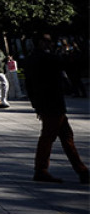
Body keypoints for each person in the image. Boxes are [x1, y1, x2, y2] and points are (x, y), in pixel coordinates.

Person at [26, 34, 89, 184]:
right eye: (47, 41)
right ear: (40, 42)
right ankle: (41, 170)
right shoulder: (46, 58)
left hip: (47, 104)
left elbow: (29, 85)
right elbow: (67, 64)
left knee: (65, 136)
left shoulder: (33, 58)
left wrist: (36, 105)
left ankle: (82, 170)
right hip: (52, 104)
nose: (51, 44)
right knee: (49, 137)